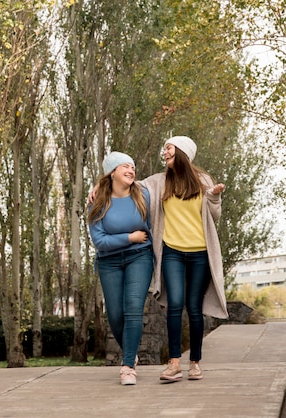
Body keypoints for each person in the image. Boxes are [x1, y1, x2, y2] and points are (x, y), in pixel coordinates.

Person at [139, 135, 228, 382]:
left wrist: (214, 197)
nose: (164, 152)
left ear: (181, 151)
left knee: (195, 308)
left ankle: (195, 362)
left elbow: (215, 217)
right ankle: (174, 363)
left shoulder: (203, 181)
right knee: (175, 304)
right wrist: (102, 185)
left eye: (168, 147)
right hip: (172, 251)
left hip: (200, 253)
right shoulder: (158, 182)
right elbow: (129, 186)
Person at [87, 151, 153, 386]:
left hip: (140, 258)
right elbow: (100, 241)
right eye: (125, 166)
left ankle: (127, 367)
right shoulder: (97, 202)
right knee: (115, 315)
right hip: (109, 262)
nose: (131, 170)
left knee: (133, 308)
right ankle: (130, 352)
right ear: (112, 172)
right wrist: (131, 237)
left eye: (133, 167)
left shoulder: (143, 195)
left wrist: (138, 243)